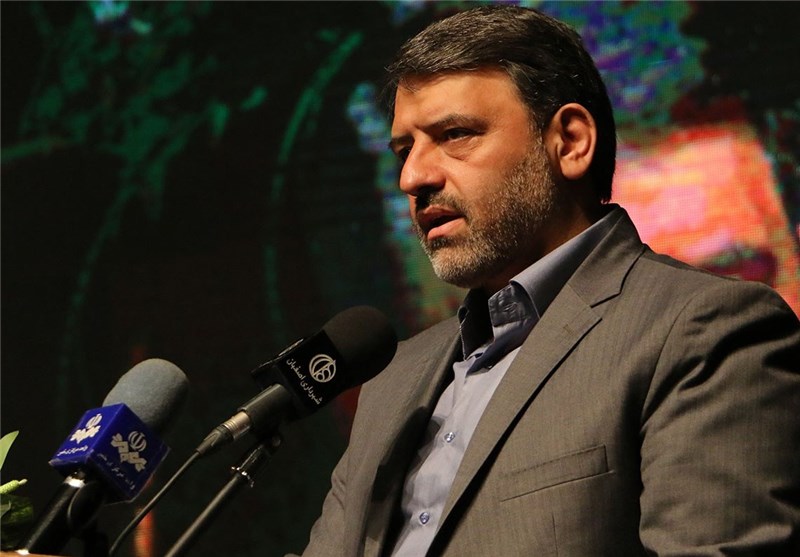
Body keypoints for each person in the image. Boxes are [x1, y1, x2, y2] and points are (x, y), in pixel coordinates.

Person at [295, 6, 800, 556]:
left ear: (570, 141)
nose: (413, 177)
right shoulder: (394, 384)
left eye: (456, 134)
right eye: (404, 151)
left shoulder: (701, 331)